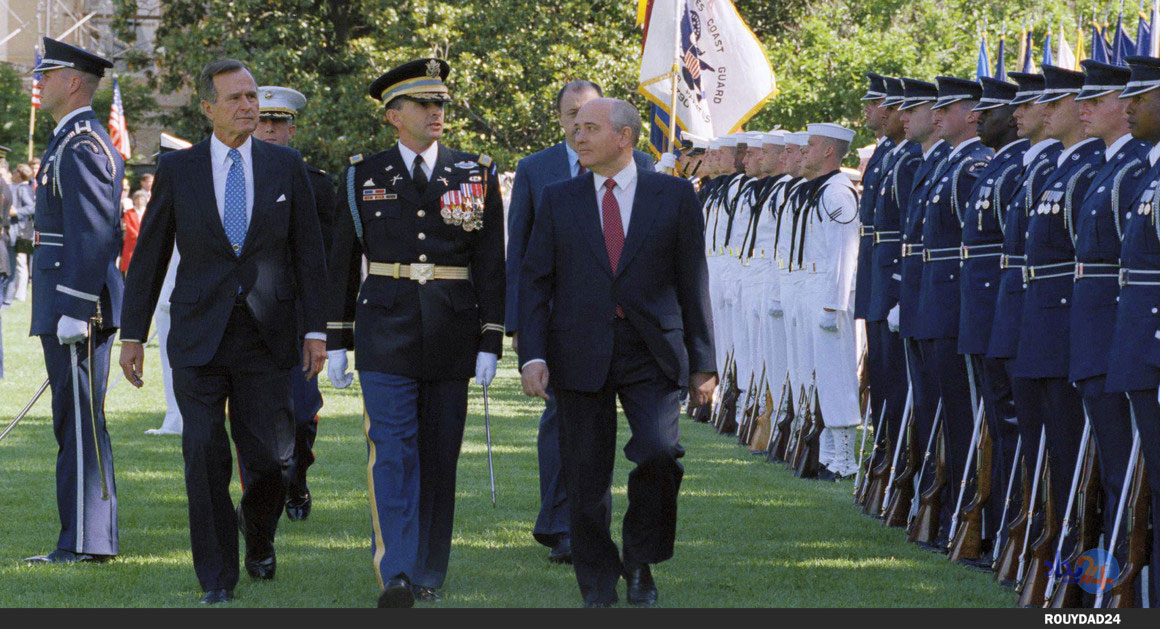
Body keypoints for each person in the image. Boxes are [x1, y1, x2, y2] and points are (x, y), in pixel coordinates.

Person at [119, 58, 328, 605]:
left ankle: (258, 536)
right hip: (198, 335)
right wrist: (132, 334)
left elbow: (309, 253)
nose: (247, 105)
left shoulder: (285, 165)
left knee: (272, 460)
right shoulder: (179, 169)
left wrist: (316, 330)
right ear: (208, 108)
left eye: (251, 95)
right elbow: (150, 254)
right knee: (204, 453)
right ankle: (216, 578)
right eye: (234, 97)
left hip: (268, 335)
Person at [518, 97, 716, 607]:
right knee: (585, 475)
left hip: (652, 351)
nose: (577, 136)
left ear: (624, 137)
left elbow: (693, 281)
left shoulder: (673, 195)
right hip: (578, 351)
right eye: (576, 127)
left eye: (590, 128)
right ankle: (598, 583)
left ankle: (640, 559)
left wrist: (704, 363)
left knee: (659, 452)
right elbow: (535, 282)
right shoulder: (559, 198)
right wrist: (532, 355)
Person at [325, 58, 505, 608]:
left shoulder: (474, 172)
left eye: (441, 103)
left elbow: (490, 262)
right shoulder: (362, 174)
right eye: (424, 104)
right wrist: (337, 338)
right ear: (393, 115)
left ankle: (428, 569)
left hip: (452, 329)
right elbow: (342, 261)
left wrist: (491, 339)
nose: (436, 112)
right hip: (385, 329)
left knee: (439, 454)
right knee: (392, 451)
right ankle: (397, 572)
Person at [505, 80, 652, 564]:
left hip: (627, 325)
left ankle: (600, 530)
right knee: (563, 425)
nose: (578, 125)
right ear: (559, 119)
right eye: (571, 115)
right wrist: (520, 329)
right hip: (559, 322)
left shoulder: (641, 166)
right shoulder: (536, 169)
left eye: (588, 116)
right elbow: (520, 254)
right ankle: (562, 524)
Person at [22, 37, 124, 566]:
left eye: (47, 74)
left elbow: (95, 233)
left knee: (80, 425)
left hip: (76, 306)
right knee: (75, 421)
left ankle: (85, 541)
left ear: (74, 81)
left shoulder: (81, 145)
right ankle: (86, 538)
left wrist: (76, 307)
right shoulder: (69, 140)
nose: (39, 83)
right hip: (66, 301)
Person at [1069, 60, 1150, 571]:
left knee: (1127, 468)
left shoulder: (1134, 169)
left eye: (1095, 101)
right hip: (1098, 332)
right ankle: (1113, 570)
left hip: (1119, 333)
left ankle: (1129, 579)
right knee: (1112, 464)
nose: (1084, 110)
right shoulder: (1109, 167)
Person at [254, 84, 336, 522]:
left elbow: (327, 261)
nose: (269, 129)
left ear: (292, 129)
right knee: (254, 415)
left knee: (302, 413)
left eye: (278, 122)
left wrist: (326, 326)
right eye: (262, 121)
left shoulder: (318, 185)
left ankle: (297, 478)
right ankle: (258, 502)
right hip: (251, 313)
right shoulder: (234, 177)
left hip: (300, 315)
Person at [797, 123, 862, 478]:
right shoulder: (820, 190)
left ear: (827, 151)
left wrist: (832, 305)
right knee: (821, 374)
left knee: (837, 375)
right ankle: (828, 453)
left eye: (810, 145)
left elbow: (843, 254)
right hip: (814, 287)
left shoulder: (838, 193)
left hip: (829, 293)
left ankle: (846, 459)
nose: (804, 151)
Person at [145, 133, 194, 437]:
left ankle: (181, 417)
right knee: (168, 358)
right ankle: (174, 416)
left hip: (184, 289)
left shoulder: (190, 193)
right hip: (168, 289)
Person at [5, 163, 35, 305]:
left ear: (19, 174)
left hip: (19, 232)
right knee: (19, 264)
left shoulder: (22, 189)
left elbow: (31, 208)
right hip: (18, 231)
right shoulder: (21, 187)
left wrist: (16, 211)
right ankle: (16, 294)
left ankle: (16, 295)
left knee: (19, 264)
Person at [120, 189, 146, 275]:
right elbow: (128, 225)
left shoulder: (147, 212)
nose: (139, 201)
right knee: (128, 262)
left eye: (142, 199)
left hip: (144, 240)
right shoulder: (129, 212)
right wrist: (136, 234)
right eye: (137, 199)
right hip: (131, 240)